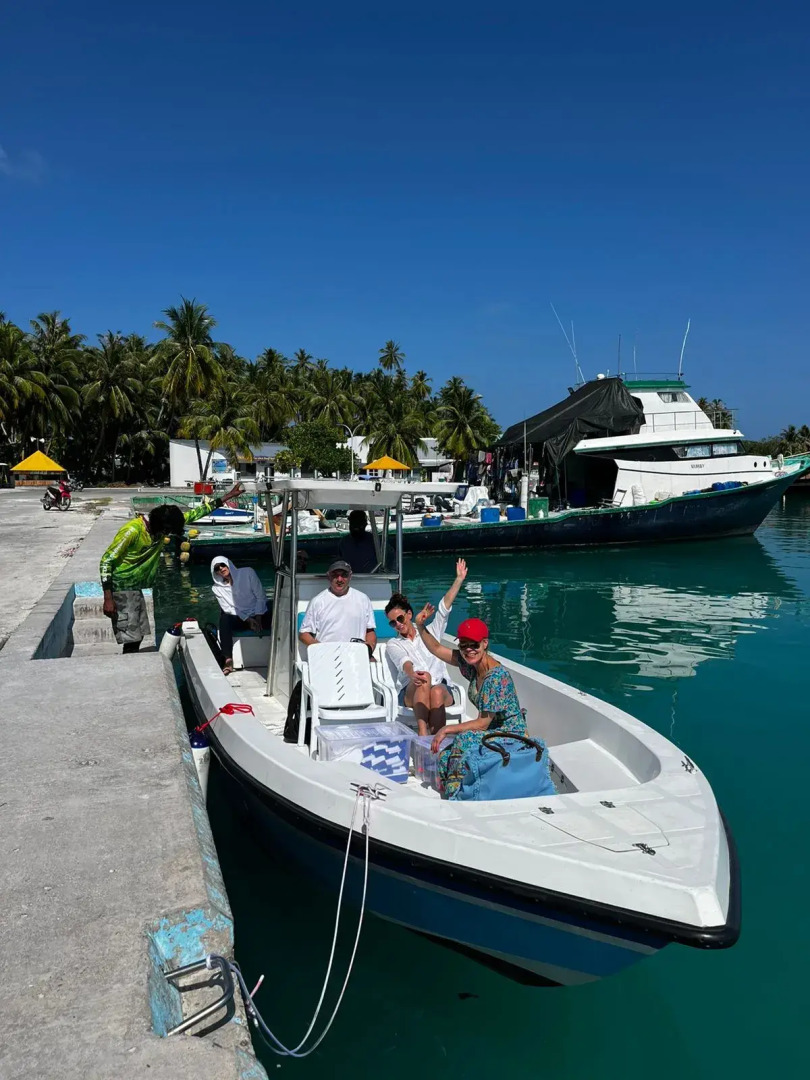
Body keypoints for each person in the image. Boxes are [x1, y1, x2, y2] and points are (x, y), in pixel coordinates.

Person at [100, 482, 244, 653]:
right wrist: (108, 598)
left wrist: (227, 497)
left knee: (137, 634)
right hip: (121, 588)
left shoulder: (158, 529)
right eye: (167, 532)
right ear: (161, 527)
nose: (167, 535)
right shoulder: (132, 531)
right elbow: (106, 561)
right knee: (131, 637)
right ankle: (129, 667)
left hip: (135, 588)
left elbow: (195, 513)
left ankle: (132, 662)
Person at [415, 606, 527, 799]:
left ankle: (455, 797)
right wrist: (420, 625)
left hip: (510, 733)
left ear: (485, 644)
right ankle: (457, 789)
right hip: (491, 730)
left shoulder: (496, 678)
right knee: (444, 756)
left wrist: (446, 729)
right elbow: (435, 648)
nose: (469, 650)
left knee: (462, 739)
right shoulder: (471, 666)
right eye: (464, 645)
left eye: (474, 645)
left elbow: (482, 723)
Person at [384, 558, 468, 736]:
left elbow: (444, 608)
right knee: (423, 678)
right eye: (392, 623)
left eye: (400, 619)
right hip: (411, 690)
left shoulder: (429, 631)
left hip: (441, 688)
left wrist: (459, 579)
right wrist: (411, 674)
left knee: (436, 690)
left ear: (409, 614)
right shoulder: (394, 644)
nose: (397, 625)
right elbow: (404, 661)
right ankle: (424, 737)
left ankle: (436, 740)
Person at [210, 556, 272, 674]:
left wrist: (258, 617)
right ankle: (228, 660)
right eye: (217, 569)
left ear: (228, 564)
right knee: (225, 619)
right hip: (240, 617)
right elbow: (228, 608)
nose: (221, 569)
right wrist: (248, 620)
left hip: (260, 612)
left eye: (223, 565)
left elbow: (260, 596)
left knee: (276, 611)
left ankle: (281, 655)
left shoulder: (248, 572)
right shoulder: (217, 588)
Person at [298, 559, 376, 650]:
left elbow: (370, 631)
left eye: (344, 575)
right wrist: (320, 649)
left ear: (350, 576)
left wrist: (369, 650)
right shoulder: (317, 601)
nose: (339, 579)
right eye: (335, 575)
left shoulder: (363, 599)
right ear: (328, 576)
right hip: (327, 657)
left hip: (356, 656)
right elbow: (304, 634)